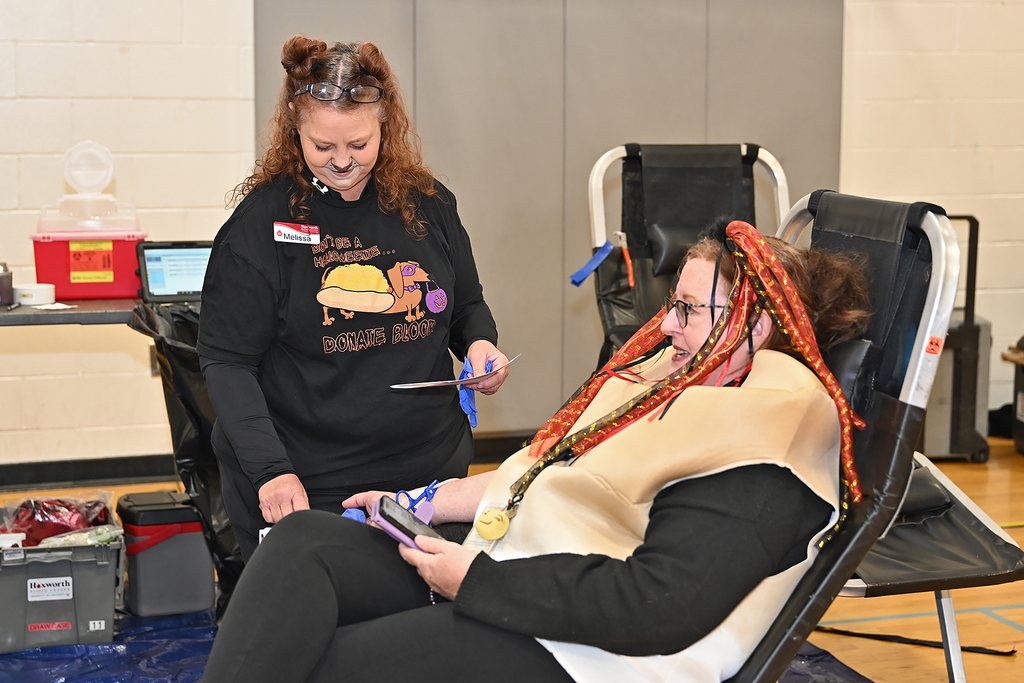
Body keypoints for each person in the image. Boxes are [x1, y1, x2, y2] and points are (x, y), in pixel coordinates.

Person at [198, 221, 872, 683]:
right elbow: (541, 468)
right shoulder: (674, 377)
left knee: (321, 663)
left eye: (690, 311)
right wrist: (417, 502)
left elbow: (658, 606)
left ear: (757, 324)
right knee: (304, 541)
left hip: (595, 656)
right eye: (674, 303)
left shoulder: (767, 438)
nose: (665, 324)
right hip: (523, 573)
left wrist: (475, 581)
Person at [197, 36, 509, 559]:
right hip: (309, 480)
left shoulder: (427, 203)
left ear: (386, 123)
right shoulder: (260, 226)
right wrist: (272, 472)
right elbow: (227, 362)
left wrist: (480, 344)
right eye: (323, 147)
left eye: (360, 145)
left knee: (417, 627)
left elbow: (466, 307)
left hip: (427, 474)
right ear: (294, 127)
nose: (343, 162)